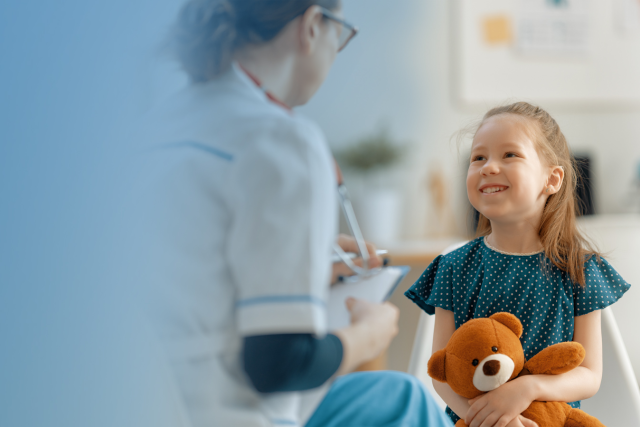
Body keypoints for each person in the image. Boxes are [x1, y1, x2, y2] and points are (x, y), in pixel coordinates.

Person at [138, 1, 454, 426]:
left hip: (160, 403)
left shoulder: (158, 127)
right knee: (410, 402)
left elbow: (192, 279)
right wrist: (366, 337)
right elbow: (278, 364)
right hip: (237, 412)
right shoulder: (281, 142)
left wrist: (310, 265)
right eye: (338, 31)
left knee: (398, 395)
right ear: (310, 26)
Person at [405, 102, 631, 427]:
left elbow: (588, 375)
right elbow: (442, 371)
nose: (488, 167)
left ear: (552, 179)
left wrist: (528, 388)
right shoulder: (453, 267)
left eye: (509, 155)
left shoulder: (580, 269)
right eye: (478, 157)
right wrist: (491, 420)